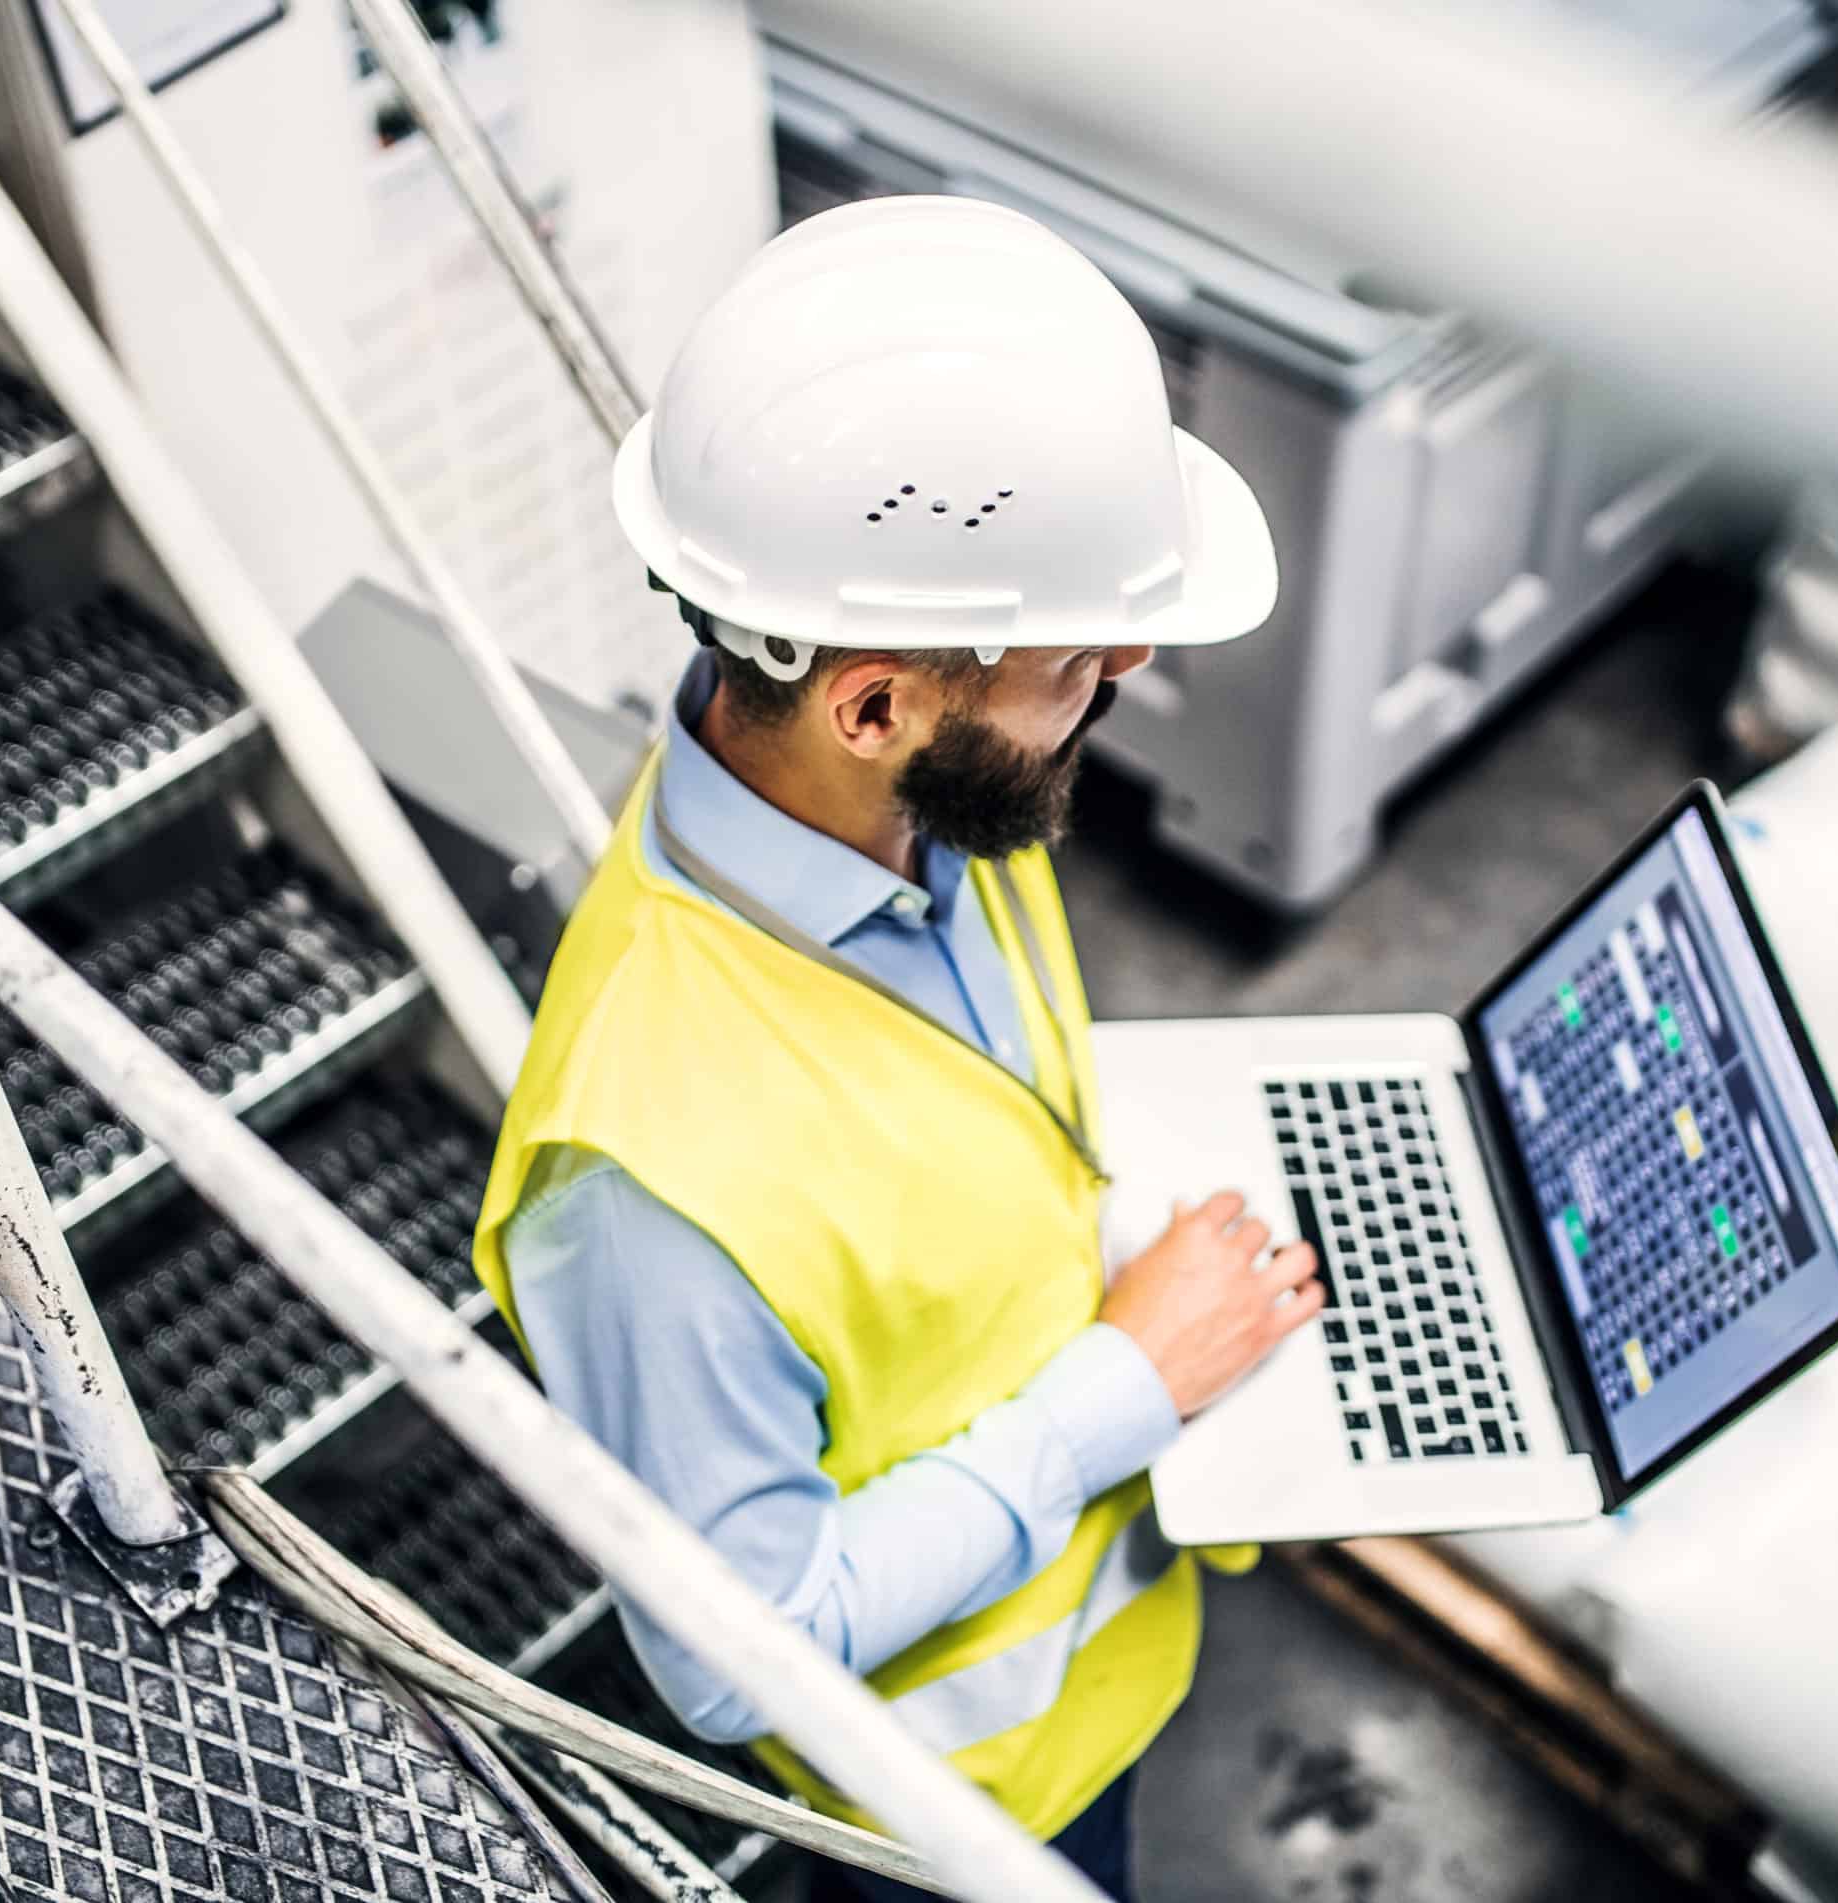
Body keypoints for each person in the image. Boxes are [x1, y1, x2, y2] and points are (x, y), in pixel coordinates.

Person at [470, 195, 1322, 1901]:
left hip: (1106, 1689)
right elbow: (734, 1658)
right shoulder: (648, 1181)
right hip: (960, 1824)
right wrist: (1129, 1384)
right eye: (1077, 656)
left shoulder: (926, 815)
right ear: (872, 702)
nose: (1128, 666)